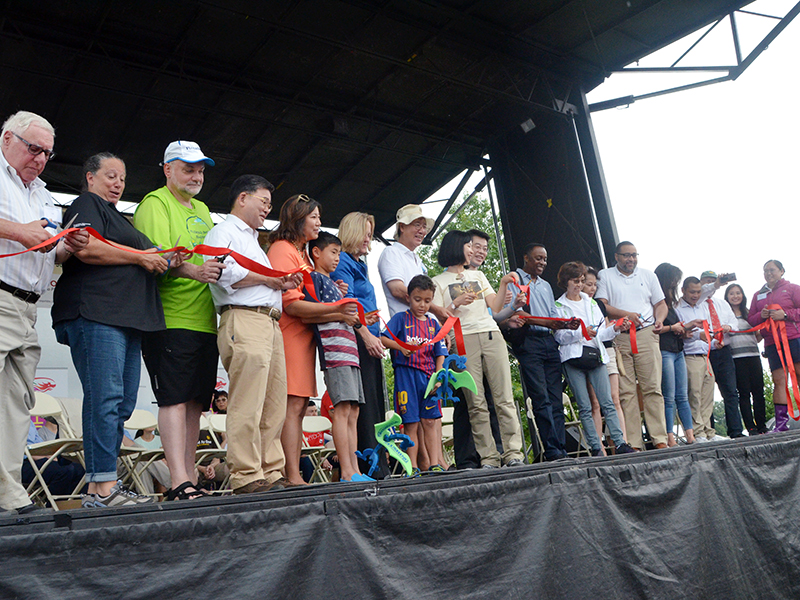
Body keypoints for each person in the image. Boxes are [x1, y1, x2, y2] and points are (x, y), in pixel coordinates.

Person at [52, 153, 166, 507]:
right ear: (90, 177)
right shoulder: (86, 204)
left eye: (122, 178)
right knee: (106, 396)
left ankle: (98, 488)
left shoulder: (125, 222)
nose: (118, 183)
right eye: (111, 176)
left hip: (129, 318)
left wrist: (166, 258)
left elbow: (154, 255)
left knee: (123, 402)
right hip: (96, 312)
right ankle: (104, 485)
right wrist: (141, 257)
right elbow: (86, 248)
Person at [0, 111, 88, 514]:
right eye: (33, 148)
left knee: (16, 404)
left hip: (28, 306)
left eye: (47, 154)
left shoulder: (45, 195)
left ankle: (10, 494)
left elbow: (50, 249)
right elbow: (26, 235)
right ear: (7, 140)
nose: (39, 159)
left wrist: (69, 244)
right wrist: (19, 231)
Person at [133, 141, 225, 501]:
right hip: (170, 317)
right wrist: (195, 271)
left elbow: (213, 260)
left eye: (201, 169)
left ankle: (189, 479)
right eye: (188, 168)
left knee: (195, 404)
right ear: (168, 169)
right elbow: (154, 257)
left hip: (206, 319)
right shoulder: (155, 203)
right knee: (172, 399)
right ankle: (177, 481)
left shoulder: (203, 209)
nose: (196, 175)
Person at [205, 174, 303, 494]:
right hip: (243, 318)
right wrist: (270, 280)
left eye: (270, 204)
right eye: (263, 201)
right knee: (248, 401)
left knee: (273, 402)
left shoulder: (255, 240)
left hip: (270, 322)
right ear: (242, 198)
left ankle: (271, 470)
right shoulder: (223, 231)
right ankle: (246, 473)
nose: (267, 209)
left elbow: (261, 279)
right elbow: (222, 272)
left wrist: (281, 283)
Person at [267, 193, 357, 486]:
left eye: (319, 217)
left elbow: (311, 294)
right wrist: (336, 309)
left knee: (298, 405)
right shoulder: (282, 249)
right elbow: (291, 304)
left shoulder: (304, 255)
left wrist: (333, 291)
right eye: (314, 217)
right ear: (297, 218)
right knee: (291, 406)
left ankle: (292, 473)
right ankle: (291, 475)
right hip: (290, 334)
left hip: (307, 338)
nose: (319, 222)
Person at [431, 230, 524, 468]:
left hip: (491, 335)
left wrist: (504, 284)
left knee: (504, 397)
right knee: (476, 402)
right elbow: (440, 317)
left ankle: (513, 454)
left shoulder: (479, 275)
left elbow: (494, 305)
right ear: (456, 247)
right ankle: (489, 458)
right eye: (468, 246)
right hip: (463, 340)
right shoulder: (437, 282)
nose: (473, 251)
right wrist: (455, 303)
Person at [304, 232, 371, 482]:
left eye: (339, 253)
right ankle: (345, 471)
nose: (337, 258)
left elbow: (344, 314)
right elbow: (311, 314)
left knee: (353, 411)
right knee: (342, 410)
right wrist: (340, 311)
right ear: (316, 252)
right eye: (333, 252)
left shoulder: (334, 284)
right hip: (334, 353)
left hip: (351, 352)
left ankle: (354, 469)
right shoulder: (314, 279)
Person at [505, 243, 579, 461]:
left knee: (556, 398)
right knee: (541, 397)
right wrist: (549, 324)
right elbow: (517, 315)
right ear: (526, 258)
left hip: (549, 342)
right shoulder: (513, 280)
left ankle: (561, 448)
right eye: (538, 258)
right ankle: (551, 449)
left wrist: (567, 324)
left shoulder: (546, 285)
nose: (542, 263)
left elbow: (553, 315)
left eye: (545, 259)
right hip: (528, 342)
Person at [553, 262, 635, 457]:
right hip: (573, 358)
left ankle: (620, 442)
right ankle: (595, 447)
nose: (579, 285)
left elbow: (600, 333)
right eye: (575, 281)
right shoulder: (558, 305)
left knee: (607, 401)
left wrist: (615, 329)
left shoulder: (591, 303)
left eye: (582, 281)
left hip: (595, 355)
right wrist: (580, 332)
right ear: (566, 282)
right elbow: (559, 337)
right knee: (585, 404)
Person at [330, 212, 389, 478]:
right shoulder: (343, 261)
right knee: (363, 409)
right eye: (366, 232)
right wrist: (366, 334)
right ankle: (368, 467)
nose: (369, 239)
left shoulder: (359, 263)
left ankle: (375, 464)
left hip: (371, 340)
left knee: (374, 406)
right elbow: (349, 305)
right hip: (357, 341)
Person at [595, 241, 669, 450]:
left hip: (646, 333)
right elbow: (602, 305)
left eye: (634, 255)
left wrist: (660, 320)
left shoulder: (648, 275)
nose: (631, 259)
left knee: (652, 387)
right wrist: (626, 315)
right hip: (619, 334)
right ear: (616, 256)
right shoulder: (606, 275)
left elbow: (660, 304)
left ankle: (660, 439)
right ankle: (634, 443)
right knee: (626, 392)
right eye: (626, 255)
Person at [381, 274, 448, 475]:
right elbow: (383, 339)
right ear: (409, 297)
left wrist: (438, 376)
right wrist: (401, 347)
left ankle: (435, 463)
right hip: (406, 376)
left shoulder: (433, 324)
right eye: (418, 300)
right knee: (410, 423)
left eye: (427, 301)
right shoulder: (400, 319)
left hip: (428, 379)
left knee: (430, 421)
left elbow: (440, 353)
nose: (422, 305)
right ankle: (413, 467)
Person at [748, 260, 800, 432]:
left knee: (798, 375)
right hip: (772, 343)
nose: (768, 273)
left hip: (794, 338)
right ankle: (781, 424)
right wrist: (761, 316)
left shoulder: (792, 288)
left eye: (772, 270)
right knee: (779, 381)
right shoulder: (758, 295)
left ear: (782, 271)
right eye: (765, 271)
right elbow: (751, 319)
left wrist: (784, 314)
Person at [378, 204, 449, 320]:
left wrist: (435, 325)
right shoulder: (391, 252)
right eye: (417, 225)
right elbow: (397, 289)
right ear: (402, 227)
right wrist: (435, 309)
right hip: (406, 328)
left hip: (423, 328)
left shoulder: (416, 258)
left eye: (424, 227)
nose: (422, 231)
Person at [582, 266, 627, 448]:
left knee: (614, 398)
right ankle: (599, 448)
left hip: (606, 350)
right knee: (595, 402)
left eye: (594, 285)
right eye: (588, 284)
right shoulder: (575, 304)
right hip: (588, 353)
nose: (592, 288)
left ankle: (622, 442)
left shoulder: (599, 305)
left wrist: (616, 328)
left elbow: (606, 329)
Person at [698, 271, 745, 439]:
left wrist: (727, 326)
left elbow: (735, 324)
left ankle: (736, 431)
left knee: (731, 392)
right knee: (706, 394)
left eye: (714, 281)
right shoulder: (697, 303)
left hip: (724, 351)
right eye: (707, 282)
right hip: (706, 351)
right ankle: (708, 433)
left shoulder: (722, 303)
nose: (711, 285)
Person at [654, 263, 696, 446]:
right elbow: (654, 329)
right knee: (668, 396)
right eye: (673, 281)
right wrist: (674, 327)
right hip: (664, 351)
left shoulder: (670, 305)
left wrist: (684, 329)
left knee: (683, 395)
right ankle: (669, 437)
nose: (675, 285)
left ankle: (690, 435)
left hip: (678, 350)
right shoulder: (655, 303)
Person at [675, 277, 718, 442]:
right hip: (689, 355)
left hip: (706, 355)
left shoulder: (702, 307)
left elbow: (709, 331)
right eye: (692, 291)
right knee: (694, 395)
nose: (695, 295)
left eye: (698, 292)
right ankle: (698, 432)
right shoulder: (677, 308)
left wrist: (714, 341)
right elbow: (680, 334)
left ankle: (709, 431)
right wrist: (697, 336)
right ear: (683, 290)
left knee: (708, 395)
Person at [725, 284, 767, 435]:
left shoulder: (749, 313)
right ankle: (750, 427)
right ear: (726, 297)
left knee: (758, 391)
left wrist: (765, 330)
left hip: (753, 355)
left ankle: (762, 426)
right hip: (736, 357)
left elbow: (756, 336)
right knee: (743, 393)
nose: (735, 296)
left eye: (738, 293)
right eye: (731, 293)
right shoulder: (725, 314)